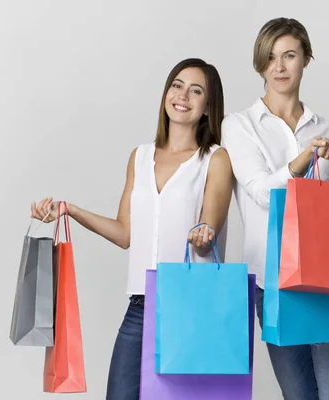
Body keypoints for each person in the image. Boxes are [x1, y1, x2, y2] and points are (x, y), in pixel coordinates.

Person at [30, 58, 233, 400]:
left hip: (190, 307)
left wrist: (203, 235)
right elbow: (125, 233)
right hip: (140, 304)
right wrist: (71, 210)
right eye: (177, 85)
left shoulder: (215, 159)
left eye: (196, 90)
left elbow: (207, 232)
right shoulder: (140, 156)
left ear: (208, 108)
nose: (183, 95)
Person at [221, 18, 329, 400]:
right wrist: (303, 160)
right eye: (270, 58)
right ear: (260, 64)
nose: (279, 67)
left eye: (289, 55)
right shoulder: (239, 126)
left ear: (306, 58)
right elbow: (259, 192)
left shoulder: (325, 128)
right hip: (271, 280)